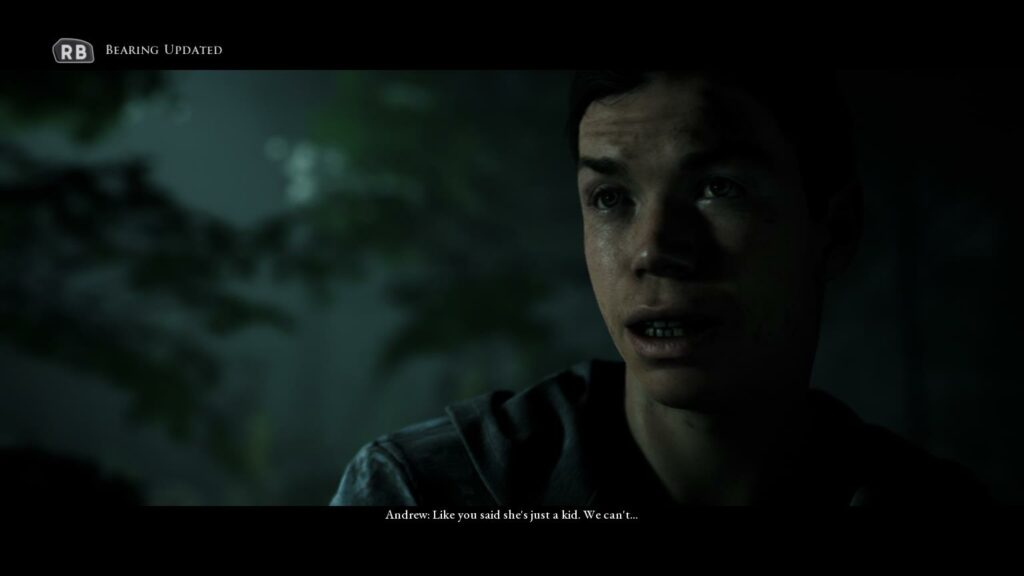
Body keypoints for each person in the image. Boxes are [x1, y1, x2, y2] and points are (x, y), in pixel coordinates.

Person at [331, 70, 990, 506]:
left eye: (718, 188)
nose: (653, 250)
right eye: (610, 197)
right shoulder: (430, 490)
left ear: (835, 230)